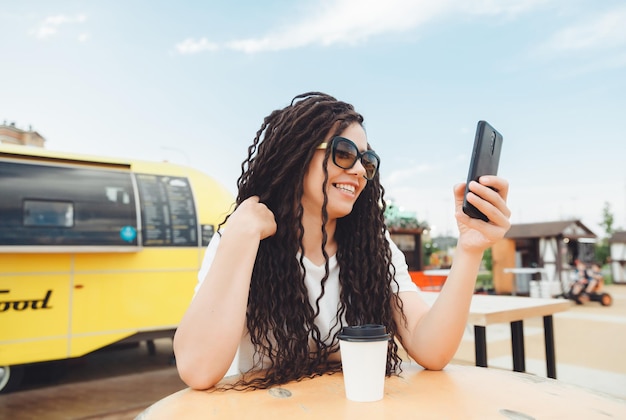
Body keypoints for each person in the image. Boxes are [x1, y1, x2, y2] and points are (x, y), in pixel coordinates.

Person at [173, 92, 511, 390]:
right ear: (298, 154)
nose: (361, 171)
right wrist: (240, 237)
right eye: (345, 153)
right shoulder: (239, 240)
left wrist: (470, 248)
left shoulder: (374, 250)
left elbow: (432, 349)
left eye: (367, 161)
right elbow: (198, 369)